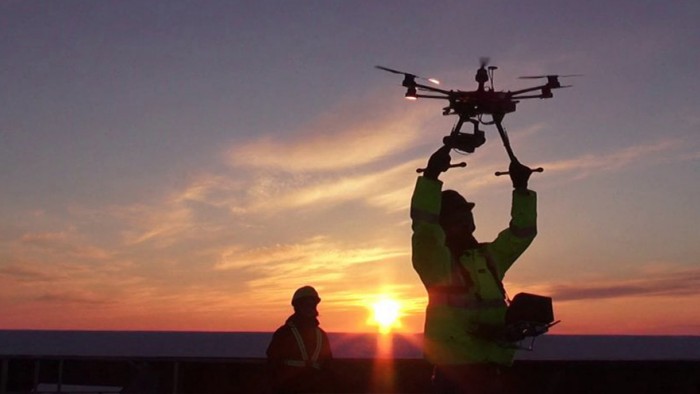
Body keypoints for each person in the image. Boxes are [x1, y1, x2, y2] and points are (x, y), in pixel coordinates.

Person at [410, 145, 538, 394]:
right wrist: (430, 179)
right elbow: (424, 228)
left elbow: (522, 234)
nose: (467, 219)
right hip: (456, 375)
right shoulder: (436, 261)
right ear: (444, 221)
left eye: (467, 213)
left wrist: (521, 189)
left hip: (495, 371)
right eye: (460, 214)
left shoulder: (488, 257)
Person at [266, 286, 333, 394]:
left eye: (312, 304)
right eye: (306, 304)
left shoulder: (321, 335)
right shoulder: (284, 333)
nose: (310, 308)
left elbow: (328, 364)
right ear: (297, 307)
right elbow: (273, 362)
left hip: (315, 388)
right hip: (289, 388)